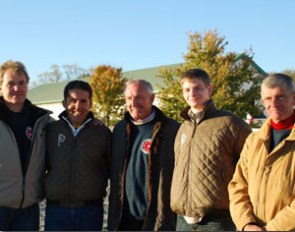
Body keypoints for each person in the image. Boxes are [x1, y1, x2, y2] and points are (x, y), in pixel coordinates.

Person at [170, 68, 252, 231]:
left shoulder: (230, 123)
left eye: (198, 88)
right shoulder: (183, 128)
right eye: (187, 89)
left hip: (218, 220)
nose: (192, 93)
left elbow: (251, 167)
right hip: (183, 220)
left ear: (209, 89)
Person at [108, 79, 180, 231]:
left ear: (152, 98)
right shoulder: (119, 130)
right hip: (123, 219)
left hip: (156, 219)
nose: (133, 103)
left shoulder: (172, 130)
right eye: (129, 98)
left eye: (139, 97)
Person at [228, 73, 295, 231]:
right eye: (268, 99)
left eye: (280, 97)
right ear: (262, 101)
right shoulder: (254, 140)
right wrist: (247, 223)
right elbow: (238, 185)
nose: (274, 103)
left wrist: (270, 229)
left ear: (293, 98)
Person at [44, 80, 111, 231]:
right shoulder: (50, 130)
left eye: (83, 101)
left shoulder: (102, 133)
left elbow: (110, 169)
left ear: (91, 104)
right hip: (56, 211)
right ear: (64, 103)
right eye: (72, 101)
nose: (78, 106)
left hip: (91, 211)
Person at [0, 60, 52, 231]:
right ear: (1, 87)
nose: (17, 88)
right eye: (11, 83)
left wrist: (92, 121)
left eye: (21, 83)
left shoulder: (41, 120)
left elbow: (69, 128)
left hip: (28, 209)